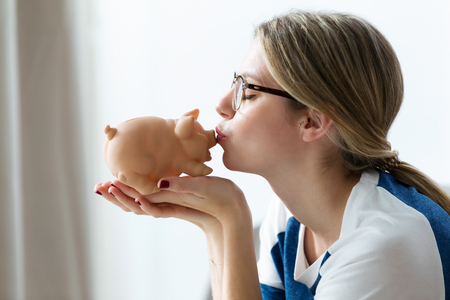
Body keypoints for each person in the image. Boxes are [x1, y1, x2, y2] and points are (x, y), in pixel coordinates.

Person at [94, 10, 450, 299]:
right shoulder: (290, 218)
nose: (221, 105)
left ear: (311, 121)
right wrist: (213, 222)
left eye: (246, 92)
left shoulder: (384, 248)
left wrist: (231, 218)